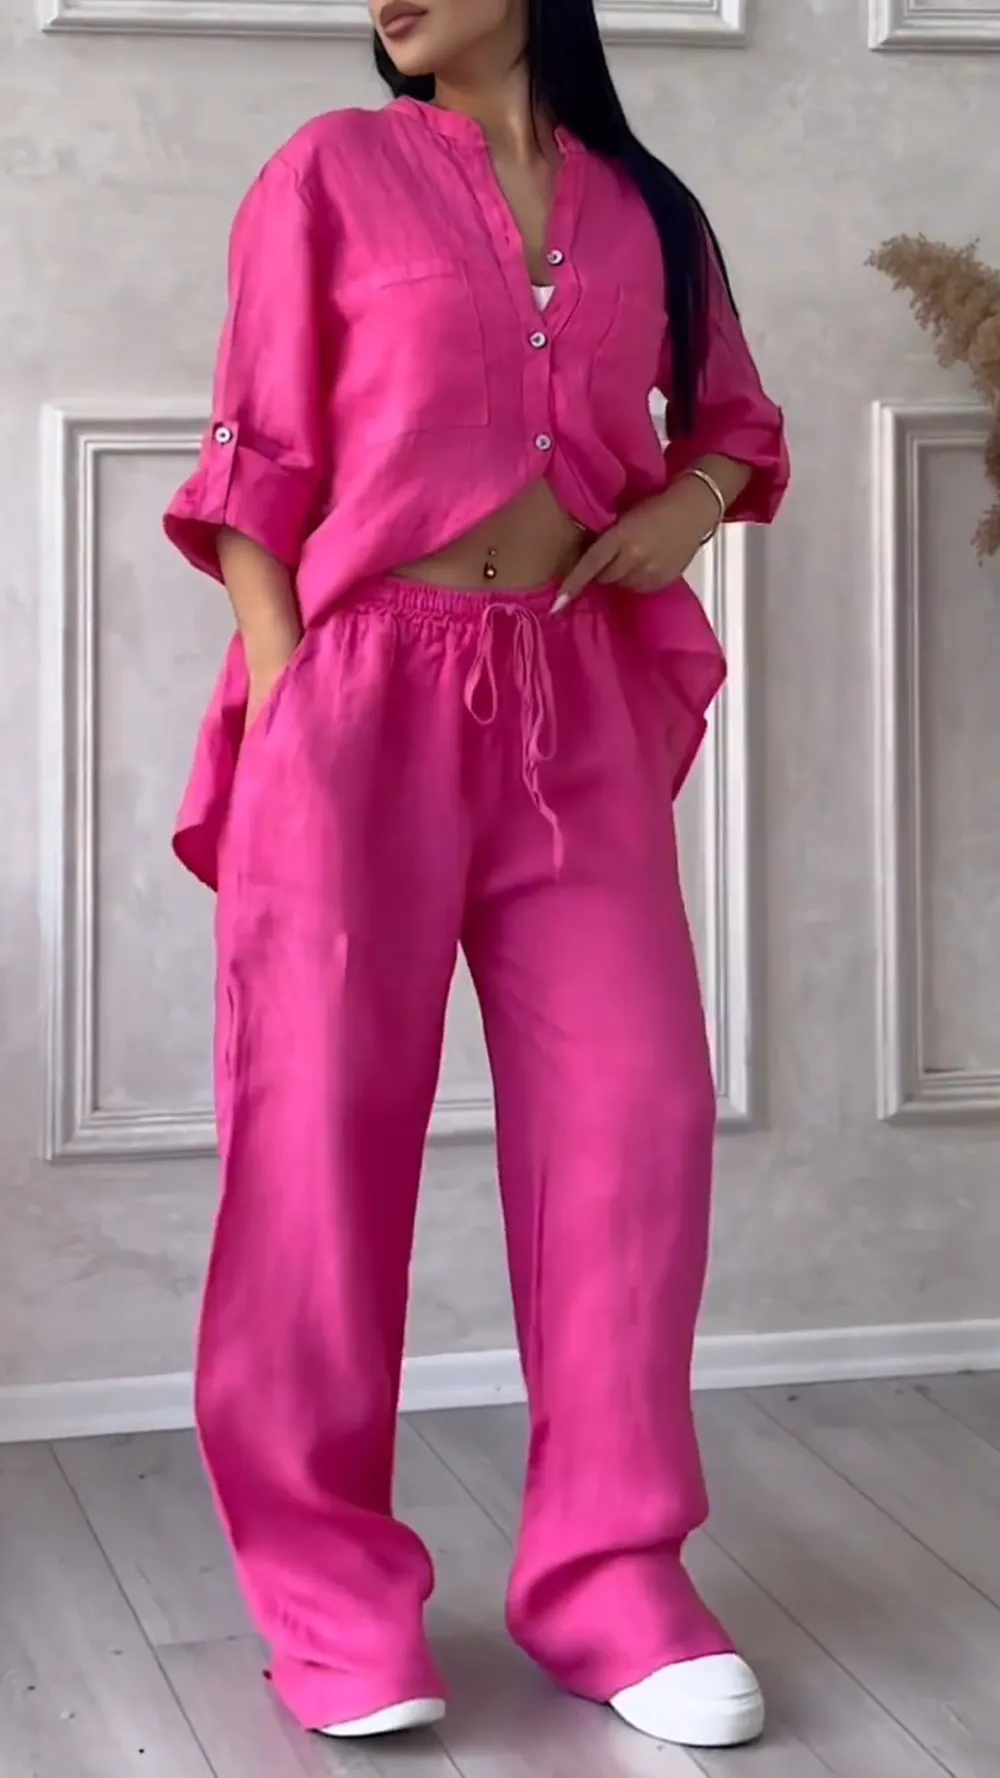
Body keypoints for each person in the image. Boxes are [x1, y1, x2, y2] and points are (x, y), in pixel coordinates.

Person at [163, 0, 788, 1752]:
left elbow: (735, 423)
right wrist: (288, 697)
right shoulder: (328, 173)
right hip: (356, 697)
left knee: (634, 1125)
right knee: (316, 1150)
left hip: (572, 690)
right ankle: (330, 1599)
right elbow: (253, 464)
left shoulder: (646, 209)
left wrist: (682, 507)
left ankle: (613, 1581)